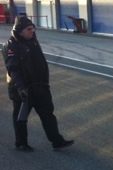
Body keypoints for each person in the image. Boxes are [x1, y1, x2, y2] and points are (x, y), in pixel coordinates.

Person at [4, 16, 74, 152]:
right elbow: (13, 69)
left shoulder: (33, 41)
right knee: (21, 117)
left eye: (33, 28)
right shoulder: (11, 46)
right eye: (29, 29)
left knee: (48, 114)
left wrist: (45, 83)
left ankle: (57, 141)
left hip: (40, 87)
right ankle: (21, 143)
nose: (32, 31)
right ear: (20, 31)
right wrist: (21, 88)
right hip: (23, 89)